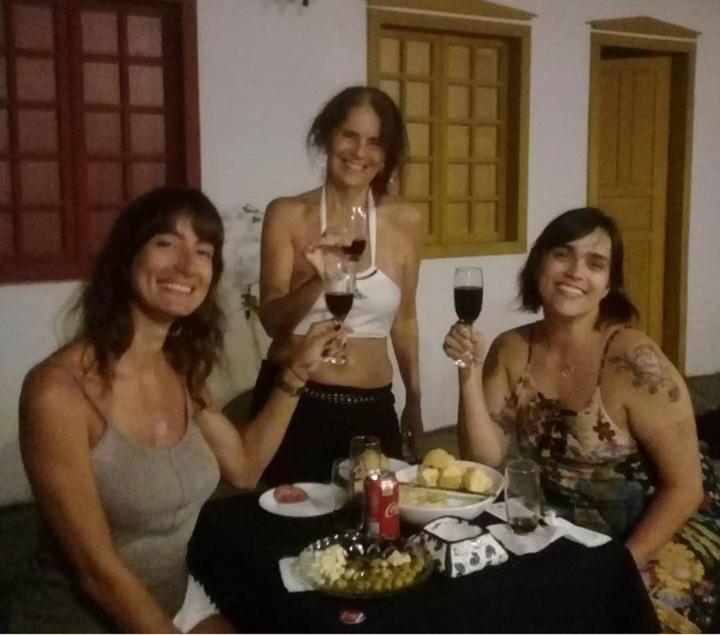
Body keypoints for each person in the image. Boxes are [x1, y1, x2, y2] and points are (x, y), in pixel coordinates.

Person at [8, 187, 340, 633]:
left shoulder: (179, 368)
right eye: (166, 243)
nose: (186, 265)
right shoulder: (57, 392)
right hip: (77, 620)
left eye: (203, 252)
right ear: (126, 257)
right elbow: (96, 570)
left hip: (175, 601)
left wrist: (297, 371)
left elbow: (245, 467)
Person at [443, 207, 720, 633]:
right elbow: (485, 459)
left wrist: (617, 565)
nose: (575, 271)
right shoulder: (512, 349)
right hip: (561, 532)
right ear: (539, 264)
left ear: (610, 284)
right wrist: (468, 374)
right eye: (562, 255)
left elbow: (684, 489)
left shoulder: (634, 360)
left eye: (595, 263)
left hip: (655, 530)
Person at [252, 86, 424, 484]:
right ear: (327, 135)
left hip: (372, 406)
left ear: (387, 155)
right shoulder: (287, 214)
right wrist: (320, 279)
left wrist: (414, 401)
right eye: (349, 135)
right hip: (295, 402)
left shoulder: (407, 221)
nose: (359, 152)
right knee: (287, 519)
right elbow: (272, 322)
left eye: (375, 142)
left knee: (377, 518)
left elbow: (405, 320)